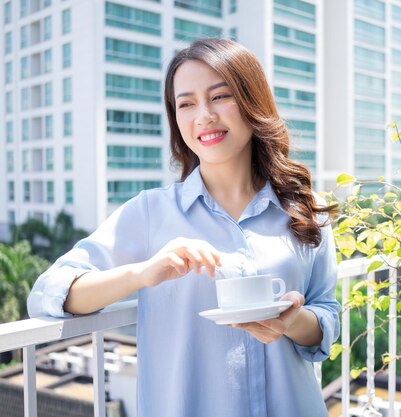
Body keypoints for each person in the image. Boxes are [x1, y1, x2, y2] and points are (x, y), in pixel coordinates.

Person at [27, 38, 340, 417]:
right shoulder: (149, 213)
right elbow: (50, 292)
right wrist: (142, 273)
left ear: (252, 101)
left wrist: (290, 322)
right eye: (186, 103)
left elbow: (327, 317)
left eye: (220, 96)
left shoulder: (304, 211)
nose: (203, 116)